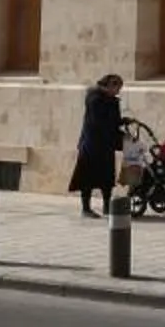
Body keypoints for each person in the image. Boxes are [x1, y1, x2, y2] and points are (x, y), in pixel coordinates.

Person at [71, 73, 123, 218]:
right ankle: (86, 208)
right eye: (117, 88)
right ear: (110, 86)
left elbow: (114, 121)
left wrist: (123, 123)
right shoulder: (94, 98)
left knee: (107, 177)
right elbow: (97, 121)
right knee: (87, 176)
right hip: (92, 143)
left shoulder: (112, 101)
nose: (118, 91)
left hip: (106, 145)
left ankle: (107, 207)